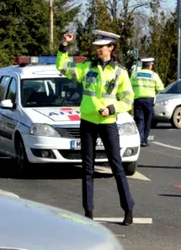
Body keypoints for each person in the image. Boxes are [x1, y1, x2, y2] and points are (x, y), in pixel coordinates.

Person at [56, 30, 135, 225]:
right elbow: (62, 68)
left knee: (117, 167)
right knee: (87, 169)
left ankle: (128, 209)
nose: (98, 50)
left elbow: (128, 99)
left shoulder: (120, 71)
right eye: (97, 47)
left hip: (108, 123)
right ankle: (88, 211)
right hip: (88, 122)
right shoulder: (87, 68)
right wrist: (64, 46)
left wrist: (112, 108)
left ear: (111, 48)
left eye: (102, 47)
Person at [130, 58, 164, 147]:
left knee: (139, 120)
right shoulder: (154, 75)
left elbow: (129, 86)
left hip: (138, 99)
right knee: (148, 120)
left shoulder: (135, 74)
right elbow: (160, 88)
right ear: (150, 66)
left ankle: (139, 140)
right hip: (149, 100)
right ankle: (144, 140)